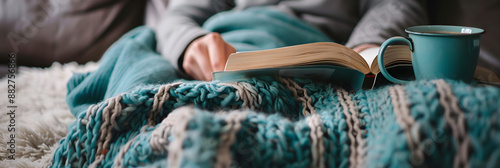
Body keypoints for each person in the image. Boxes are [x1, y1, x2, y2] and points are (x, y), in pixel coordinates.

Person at [154, 0, 429, 81]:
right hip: (228, 44)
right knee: (135, 47)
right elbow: (179, 16)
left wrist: (364, 48)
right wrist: (189, 43)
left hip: (313, 49)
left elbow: (395, 4)